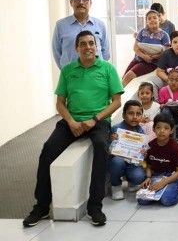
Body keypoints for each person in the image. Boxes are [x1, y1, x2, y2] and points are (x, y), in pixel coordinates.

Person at [23, 31, 123, 227]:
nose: (88, 47)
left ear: (97, 46)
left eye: (91, 43)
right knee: (48, 149)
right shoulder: (68, 70)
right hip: (72, 121)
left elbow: (117, 102)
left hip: (99, 121)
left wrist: (94, 119)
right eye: (83, 44)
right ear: (76, 48)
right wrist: (70, 121)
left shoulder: (107, 69)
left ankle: (95, 206)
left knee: (102, 148)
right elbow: (60, 103)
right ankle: (42, 206)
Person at [52, 0, 110, 68]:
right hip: (71, 76)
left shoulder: (100, 25)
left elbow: (106, 54)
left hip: (96, 75)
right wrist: (66, 70)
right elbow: (57, 53)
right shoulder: (60, 26)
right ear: (71, 2)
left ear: (91, 3)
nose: (81, 2)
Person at [137, 114, 178, 206]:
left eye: (166, 128)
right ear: (154, 129)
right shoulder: (150, 145)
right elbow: (147, 165)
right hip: (155, 176)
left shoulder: (175, 147)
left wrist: (164, 182)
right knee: (141, 200)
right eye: (158, 127)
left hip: (171, 177)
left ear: (171, 130)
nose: (162, 131)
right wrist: (148, 177)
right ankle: (160, 192)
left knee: (166, 200)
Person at [109, 100, 147, 200]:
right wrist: (112, 141)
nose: (135, 117)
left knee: (139, 176)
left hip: (132, 163)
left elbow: (142, 153)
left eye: (138, 114)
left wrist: (143, 152)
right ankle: (116, 185)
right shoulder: (116, 129)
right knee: (117, 162)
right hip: (118, 161)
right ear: (124, 115)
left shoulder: (141, 131)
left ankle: (132, 182)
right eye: (131, 113)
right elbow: (109, 151)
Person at [122, 9, 170, 86]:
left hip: (151, 63)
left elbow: (167, 52)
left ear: (159, 20)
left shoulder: (165, 35)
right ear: (147, 21)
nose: (152, 20)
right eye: (149, 18)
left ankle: (119, 97)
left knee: (129, 76)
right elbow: (135, 48)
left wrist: (155, 56)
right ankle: (121, 96)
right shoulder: (142, 32)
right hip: (138, 59)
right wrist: (144, 56)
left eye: (154, 18)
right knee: (123, 78)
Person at [158, 68, 178, 142]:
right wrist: (163, 105)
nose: (173, 82)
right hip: (168, 114)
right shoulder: (163, 90)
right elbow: (160, 104)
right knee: (165, 111)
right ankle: (168, 135)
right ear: (168, 80)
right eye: (171, 79)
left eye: (177, 80)